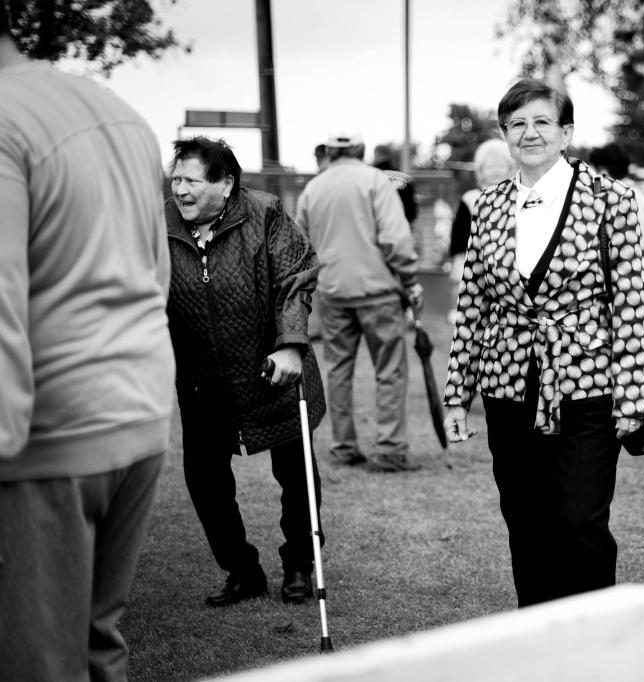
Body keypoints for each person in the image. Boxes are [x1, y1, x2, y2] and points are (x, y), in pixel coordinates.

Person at [0, 4, 176, 679]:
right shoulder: (118, 111)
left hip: (47, 438)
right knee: (100, 644)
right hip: (138, 413)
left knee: (41, 663)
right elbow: (156, 271)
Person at [442, 79, 644, 607]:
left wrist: (633, 397)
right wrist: (457, 394)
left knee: (580, 520)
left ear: (566, 133)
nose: (530, 133)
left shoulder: (611, 199)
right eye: (517, 123)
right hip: (508, 383)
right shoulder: (487, 205)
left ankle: (592, 635)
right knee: (526, 520)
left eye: (542, 121)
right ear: (505, 135)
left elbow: (632, 304)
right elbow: (473, 304)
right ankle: (537, 629)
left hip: (587, 381)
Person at [165, 136, 327, 607]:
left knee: (297, 476)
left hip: (274, 369)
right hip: (202, 380)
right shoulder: (158, 224)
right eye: (176, 179)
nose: (181, 190)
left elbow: (295, 278)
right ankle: (241, 570)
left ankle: (300, 563)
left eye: (192, 181)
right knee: (205, 480)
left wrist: (291, 345)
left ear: (226, 184)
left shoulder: (264, 212)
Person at [296, 131, 424, 473]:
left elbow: (299, 244)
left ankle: (343, 446)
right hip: (377, 291)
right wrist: (409, 280)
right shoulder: (375, 181)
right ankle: (390, 449)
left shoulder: (313, 188)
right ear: (360, 149)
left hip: (333, 293)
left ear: (330, 151)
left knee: (338, 370)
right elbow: (396, 239)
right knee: (390, 372)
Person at [589, 143, 644, 317]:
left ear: (603, 172)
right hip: (634, 298)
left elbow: (625, 255)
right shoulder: (635, 196)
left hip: (628, 302)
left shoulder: (625, 200)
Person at [448, 138, 516, 301]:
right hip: (478, 271)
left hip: (512, 273)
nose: (495, 171)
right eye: (490, 166)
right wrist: (459, 267)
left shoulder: (518, 198)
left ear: (510, 168)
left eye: (500, 165)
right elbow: (459, 239)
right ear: (480, 171)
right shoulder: (471, 199)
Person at [373, 144, 418, 225]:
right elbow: (411, 212)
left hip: (376, 225)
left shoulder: (370, 176)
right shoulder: (404, 178)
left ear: (376, 155)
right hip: (399, 225)